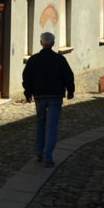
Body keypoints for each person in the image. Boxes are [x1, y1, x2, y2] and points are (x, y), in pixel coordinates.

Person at [23, 32, 74, 167]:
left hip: (39, 96)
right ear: (53, 43)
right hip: (55, 96)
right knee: (51, 126)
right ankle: (48, 157)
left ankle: (39, 152)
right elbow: (68, 75)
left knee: (40, 123)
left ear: (41, 43)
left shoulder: (34, 59)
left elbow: (27, 77)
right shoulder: (59, 59)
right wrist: (70, 90)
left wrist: (27, 93)